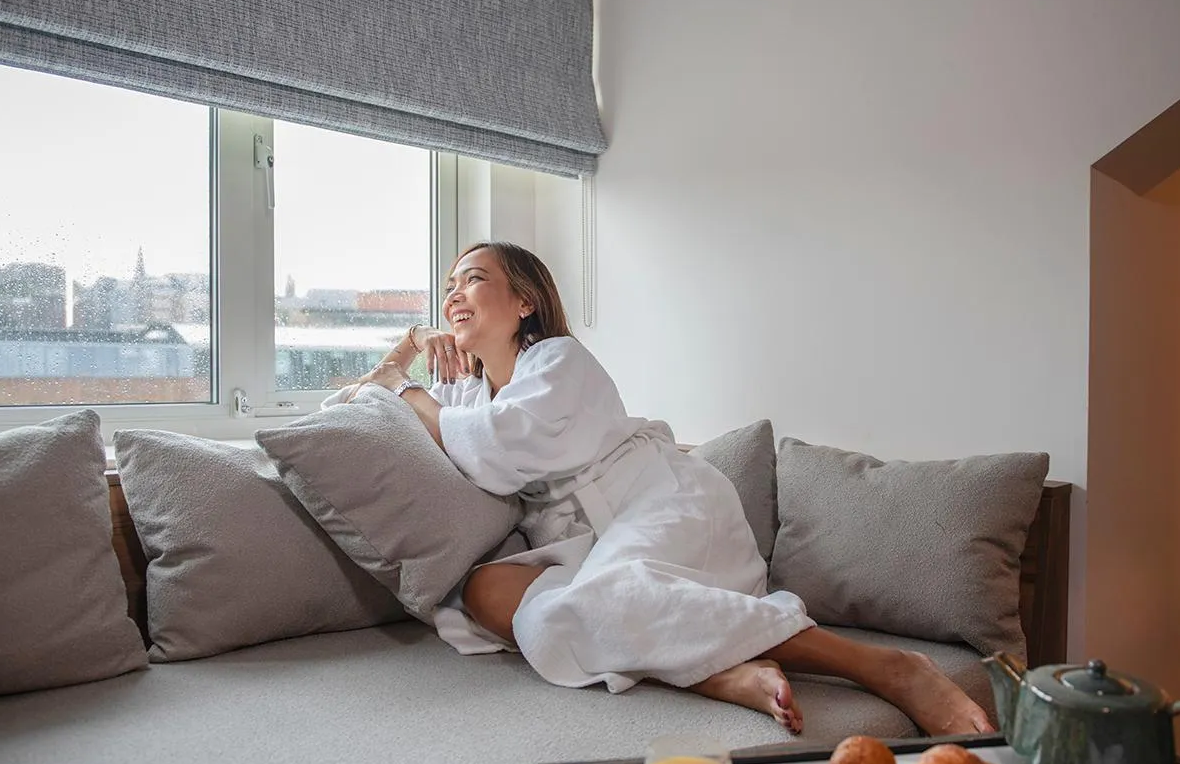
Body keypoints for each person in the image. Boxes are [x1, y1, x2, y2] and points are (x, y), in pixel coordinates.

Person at [335, 241, 993, 737]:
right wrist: (403, 356)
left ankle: (883, 667)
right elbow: (357, 405)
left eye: (474, 279)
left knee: (606, 599)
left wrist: (408, 388)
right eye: (448, 285)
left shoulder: (559, 360)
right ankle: (714, 670)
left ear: (525, 301)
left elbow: (492, 445)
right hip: (588, 542)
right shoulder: (466, 393)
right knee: (486, 592)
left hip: (661, 501)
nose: (454, 293)